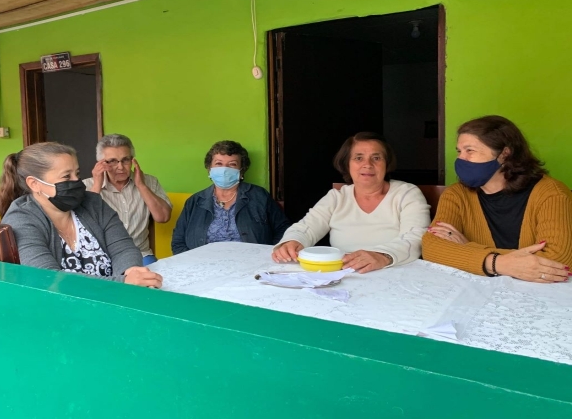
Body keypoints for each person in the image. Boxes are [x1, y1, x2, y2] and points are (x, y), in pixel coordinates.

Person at [422, 115, 572, 283]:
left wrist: (468, 248)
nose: (460, 159)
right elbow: (431, 246)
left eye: (469, 150)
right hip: (479, 290)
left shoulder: (552, 194)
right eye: (459, 151)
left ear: (504, 154)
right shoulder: (457, 194)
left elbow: (557, 260)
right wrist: (498, 263)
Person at [0, 142, 162, 288]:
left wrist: (130, 271)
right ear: (34, 184)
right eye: (67, 176)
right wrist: (122, 283)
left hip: (113, 301)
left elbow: (123, 246)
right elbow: (48, 279)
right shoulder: (21, 219)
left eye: (77, 174)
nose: (77, 182)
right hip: (61, 312)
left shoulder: (92, 203)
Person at [272, 132, 430, 273]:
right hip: (344, 274)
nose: (367, 164)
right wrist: (292, 242)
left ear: (386, 164)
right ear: (347, 164)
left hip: (395, 272)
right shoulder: (337, 197)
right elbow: (307, 227)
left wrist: (382, 256)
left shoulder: (407, 194)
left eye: (376, 158)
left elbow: (415, 238)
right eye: (358, 158)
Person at [172, 140, 290, 254]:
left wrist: (268, 256)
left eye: (232, 164)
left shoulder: (259, 196)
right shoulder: (194, 201)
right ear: (209, 169)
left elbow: (283, 230)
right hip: (202, 268)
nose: (224, 170)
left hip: (250, 266)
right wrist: (191, 264)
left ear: (241, 170)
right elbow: (178, 242)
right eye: (219, 163)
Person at [83, 134, 172, 266]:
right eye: (112, 161)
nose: (120, 167)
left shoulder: (149, 182)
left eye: (125, 160)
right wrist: (97, 185)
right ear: (101, 164)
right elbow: (82, 225)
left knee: (155, 283)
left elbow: (163, 217)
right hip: (102, 255)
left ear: (132, 160)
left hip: (140, 254)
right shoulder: (87, 186)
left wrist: (141, 186)